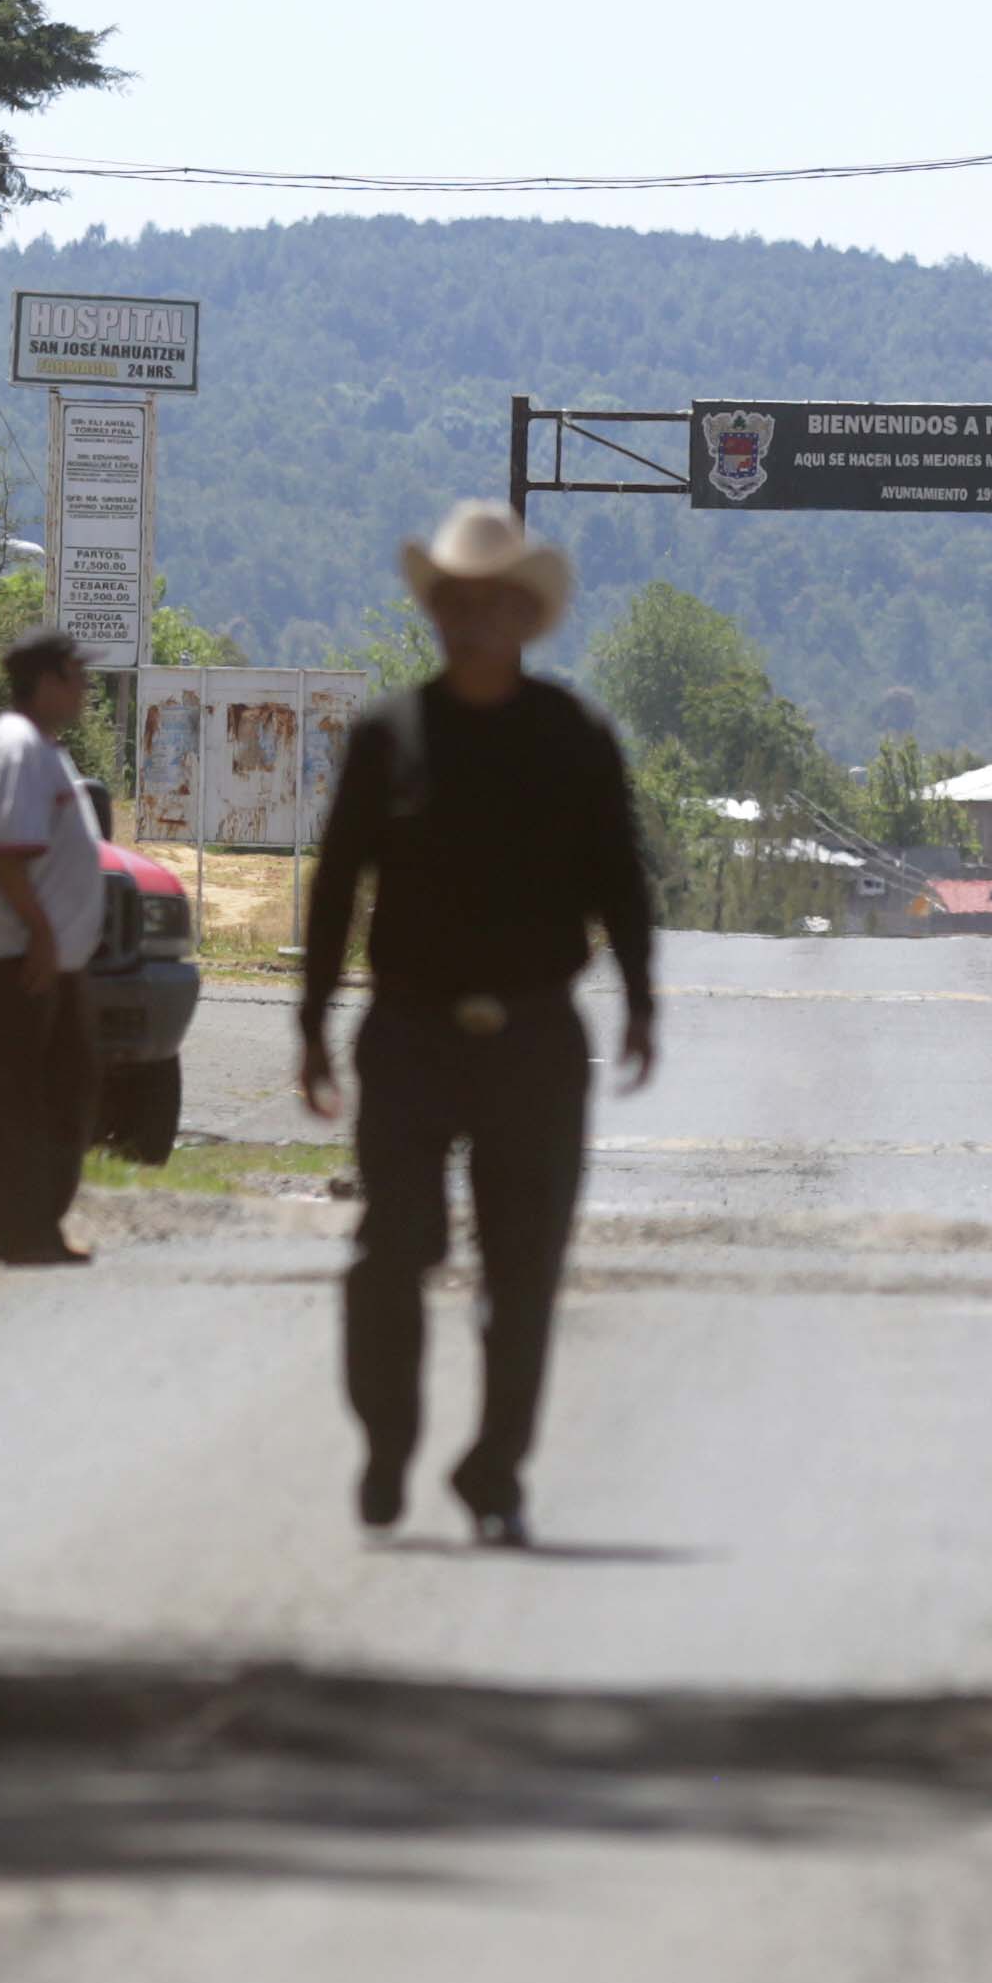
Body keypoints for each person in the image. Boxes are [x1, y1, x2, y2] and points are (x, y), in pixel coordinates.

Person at [297, 502, 656, 1546]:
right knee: (389, 1251)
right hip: (408, 1033)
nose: (472, 619)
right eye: (455, 602)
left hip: (537, 1039)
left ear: (523, 614)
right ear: (438, 610)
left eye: (492, 603)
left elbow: (619, 879)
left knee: (523, 1271)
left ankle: (493, 1472)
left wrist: (640, 1002)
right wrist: (312, 1024)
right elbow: (336, 890)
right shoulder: (387, 735)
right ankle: (387, 1438)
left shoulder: (571, 735)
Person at [0, 629, 104, 1265]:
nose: (85, 688)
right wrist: (44, 938)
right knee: (25, 1098)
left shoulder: (45, 749)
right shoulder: (18, 747)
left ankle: (37, 1225)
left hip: (56, 959)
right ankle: (18, 1230)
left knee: (61, 1093)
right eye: (76, 675)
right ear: (47, 680)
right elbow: (8, 857)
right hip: (27, 958)